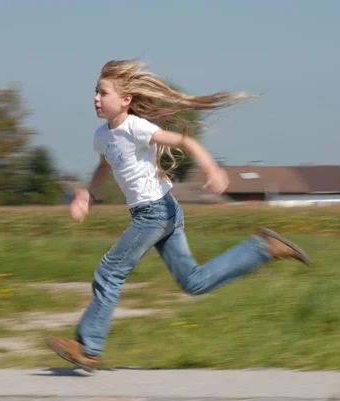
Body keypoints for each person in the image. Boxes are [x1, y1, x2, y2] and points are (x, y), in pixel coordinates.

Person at [47, 59, 311, 372]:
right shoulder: (102, 136)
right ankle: (263, 248)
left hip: (155, 212)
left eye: (103, 93)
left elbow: (185, 140)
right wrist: (87, 195)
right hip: (161, 211)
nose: (96, 98)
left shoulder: (137, 127)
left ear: (126, 100)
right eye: (95, 92)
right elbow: (104, 167)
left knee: (109, 271)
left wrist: (212, 168)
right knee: (193, 281)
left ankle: (87, 348)